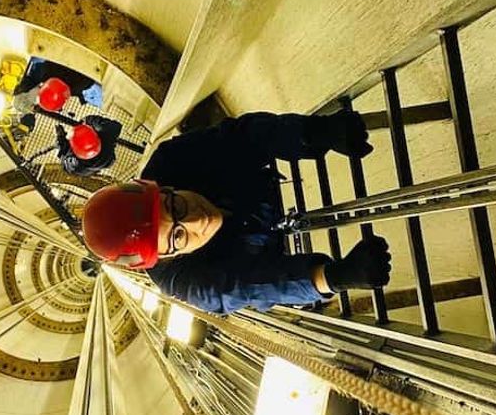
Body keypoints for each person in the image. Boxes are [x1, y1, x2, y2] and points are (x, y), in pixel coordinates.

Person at [81, 111, 391, 314]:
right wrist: (335, 277)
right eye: (178, 236)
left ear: (164, 189)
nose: (197, 220)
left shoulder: (170, 160)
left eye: (176, 206)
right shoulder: (185, 281)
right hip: (259, 250)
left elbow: (245, 136)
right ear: (167, 256)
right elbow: (247, 286)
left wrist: (314, 133)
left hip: (254, 188)